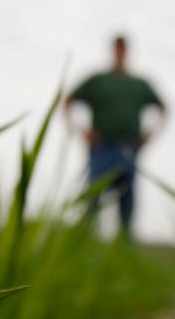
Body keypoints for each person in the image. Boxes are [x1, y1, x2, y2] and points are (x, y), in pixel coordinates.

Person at [64, 35, 166, 240]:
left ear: (127, 52)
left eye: (124, 49)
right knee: (93, 198)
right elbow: (68, 101)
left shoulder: (139, 84)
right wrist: (80, 131)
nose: (120, 53)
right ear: (113, 51)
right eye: (117, 49)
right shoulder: (98, 81)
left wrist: (149, 136)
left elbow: (163, 109)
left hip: (129, 148)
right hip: (102, 148)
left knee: (127, 203)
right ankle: (83, 244)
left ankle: (124, 248)